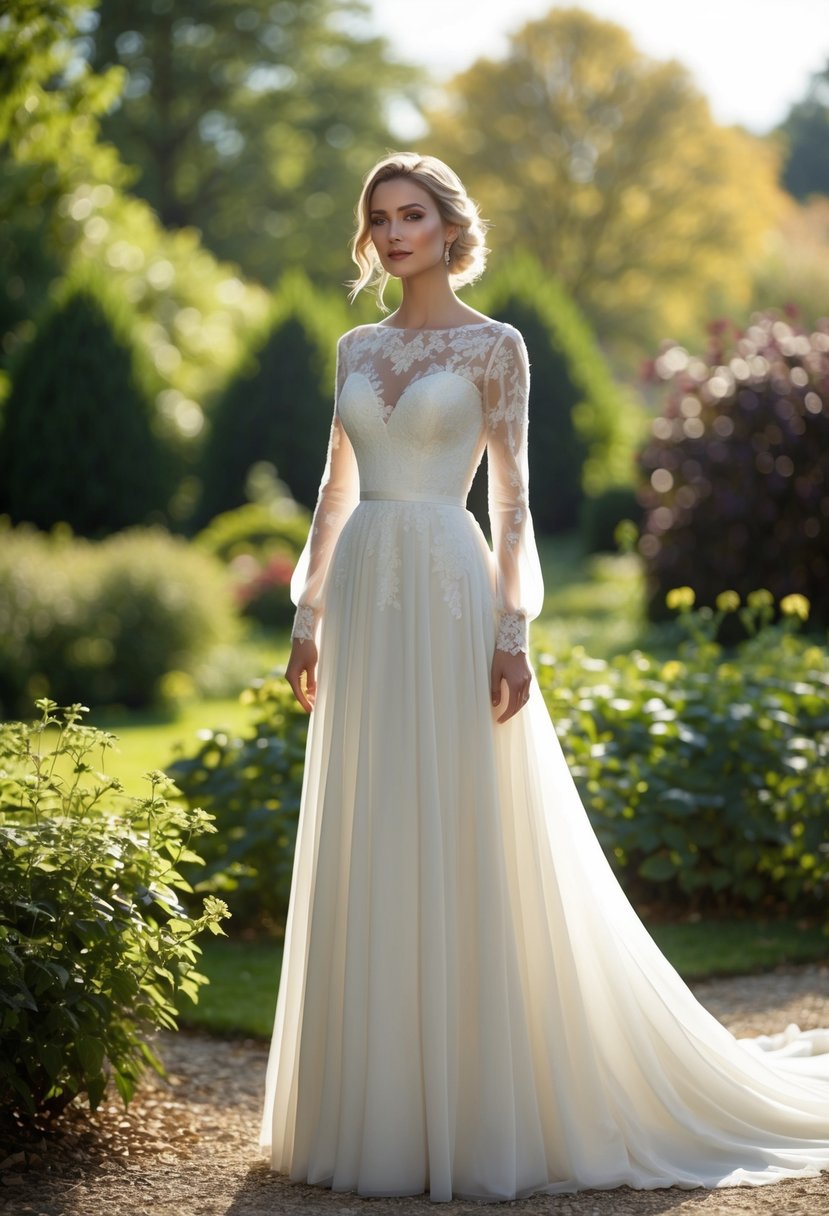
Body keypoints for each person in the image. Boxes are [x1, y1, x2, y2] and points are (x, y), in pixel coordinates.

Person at [259, 152, 829, 1202]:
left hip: (446, 590)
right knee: (374, 820)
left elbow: (513, 500)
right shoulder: (352, 346)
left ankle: (475, 1104)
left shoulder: (496, 346)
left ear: (448, 228)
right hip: (368, 598)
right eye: (380, 218)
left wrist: (513, 628)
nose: (394, 234)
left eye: (412, 216)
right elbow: (332, 496)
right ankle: (377, 1105)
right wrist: (307, 612)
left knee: (464, 825)